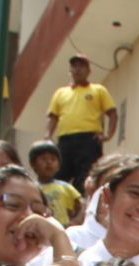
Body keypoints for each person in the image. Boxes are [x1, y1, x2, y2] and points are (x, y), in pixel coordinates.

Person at [44, 52, 117, 193]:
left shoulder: (98, 90)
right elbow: (53, 116)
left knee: (85, 177)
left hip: (89, 140)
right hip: (65, 140)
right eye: (74, 66)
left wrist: (108, 135)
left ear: (89, 70)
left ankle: (82, 209)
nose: (78, 69)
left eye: (81, 66)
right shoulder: (61, 93)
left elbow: (112, 113)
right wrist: (47, 136)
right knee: (59, 176)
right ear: (70, 70)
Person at [27, 140, 82, 226]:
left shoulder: (66, 187)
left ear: (59, 165)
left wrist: (74, 222)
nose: (49, 162)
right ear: (33, 164)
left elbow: (81, 208)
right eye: (43, 159)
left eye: (53, 159)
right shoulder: (30, 188)